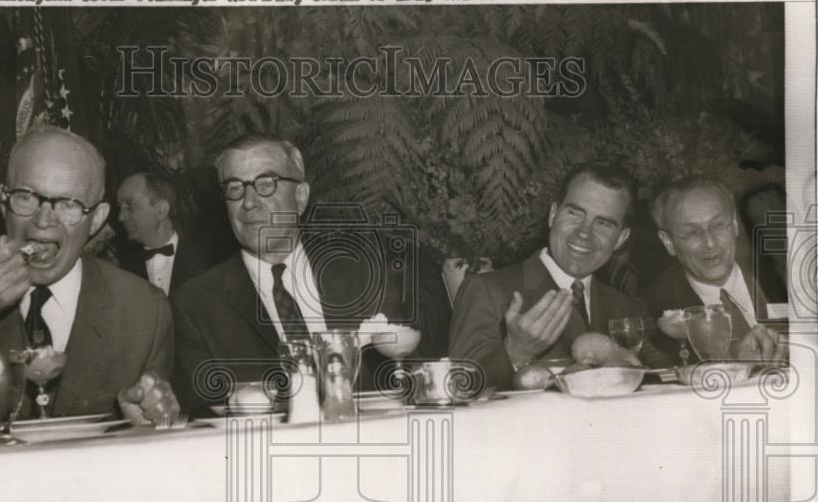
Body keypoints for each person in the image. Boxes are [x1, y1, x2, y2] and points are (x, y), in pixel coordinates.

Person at [0, 126, 178, 426]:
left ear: (97, 220)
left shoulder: (144, 312)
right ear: (3, 202)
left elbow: (151, 448)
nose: (44, 220)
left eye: (68, 204)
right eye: (26, 197)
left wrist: (142, 429)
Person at [171, 134, 411, 413]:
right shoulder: (196, 304)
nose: (248, 203)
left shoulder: (365, 278)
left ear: (300, 197)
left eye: (265, 185)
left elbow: (406, 381)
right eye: (235, 188)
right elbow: (202, 412)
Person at [448, 161, 669, 390]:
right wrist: (514, 353)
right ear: (553, 215)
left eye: (603, 224)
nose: (584, 233)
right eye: (575, 213)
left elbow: (665, 379)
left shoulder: (629, 310)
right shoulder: (487, 290)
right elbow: (458, 389)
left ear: (621, 239)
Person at [642, 176, 785, 363]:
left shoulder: (785, 275)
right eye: (692, 232)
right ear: (668, 242)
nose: (709, 243)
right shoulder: (649, 310)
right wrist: (730, 360)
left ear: (734, 224)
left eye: (718, 225)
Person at [116, 171, 211, 296]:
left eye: (129, 205)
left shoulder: (207, 263)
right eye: (120, 207)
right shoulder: (123, 271)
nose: (121, 217)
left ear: (161, 210)